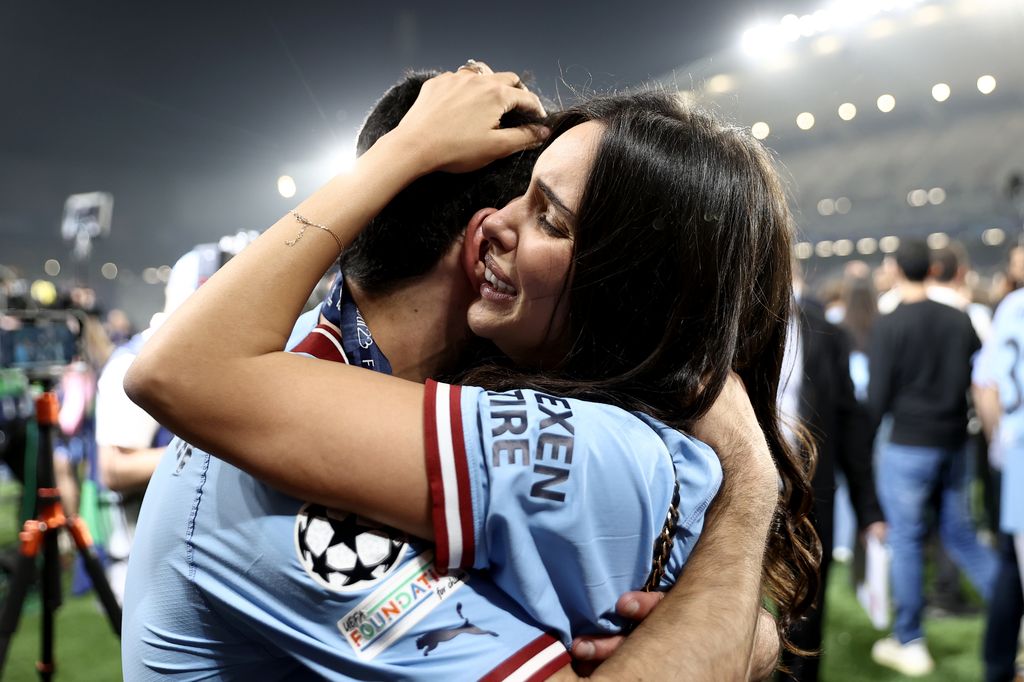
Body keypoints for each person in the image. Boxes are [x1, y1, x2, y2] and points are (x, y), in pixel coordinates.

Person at [125, 67, 814, 679]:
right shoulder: (279, 448)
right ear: (476, 238)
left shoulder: (606, 449)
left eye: (550, 217)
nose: (506, 227)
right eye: (525, 200)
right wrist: (737, 624)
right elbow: (178, 370)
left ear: (628, 283)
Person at [868, 238, 997, 677]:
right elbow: (976, 375)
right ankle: (1010, 611)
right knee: (961, 533)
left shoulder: (890, 323)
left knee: (905, 538)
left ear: (897, 268)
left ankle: (910, 639)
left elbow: (879, 395)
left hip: (908, 443)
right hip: (954, 440)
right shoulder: (959, 318)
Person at [777, 271, 885, 681]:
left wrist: (868, 508)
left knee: (808, 609)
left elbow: (851, 425)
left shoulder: (825, 332)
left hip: (811, 489)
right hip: (741, 488)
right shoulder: (730, 326)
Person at [972, 289, 1024, 682]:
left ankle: (997, 665)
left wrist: (999, 444)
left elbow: (985, 386)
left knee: (1011, 562)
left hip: (1016, 458)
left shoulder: (1013, 304)